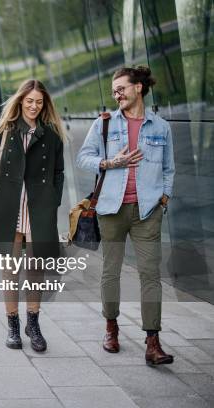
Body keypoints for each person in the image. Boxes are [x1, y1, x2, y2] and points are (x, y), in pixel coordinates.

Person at [76, 66, 175, 365]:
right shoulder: (104, 124)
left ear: (139, 88)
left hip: (147, 211)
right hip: (111, 210)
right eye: (113, 90)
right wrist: (110, 162)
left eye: (121, 88)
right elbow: (84, 158)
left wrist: (164, 198)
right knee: (111, 272)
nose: (116, 93)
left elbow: (169, 168)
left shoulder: (161, 127)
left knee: (151, 274)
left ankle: (152, 341)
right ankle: (111, 327)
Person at [0, 79, 65, 352]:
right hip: (10, 209)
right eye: (29, 101)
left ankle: (34, 324)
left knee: (37, 269)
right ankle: (13, 326)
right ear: (20, 102)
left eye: (39, 102)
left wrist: (53, 201)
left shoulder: (51, 135)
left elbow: (58, 172)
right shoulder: (4, 131)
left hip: (38, 208)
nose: (34, 106)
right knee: (11, 270)